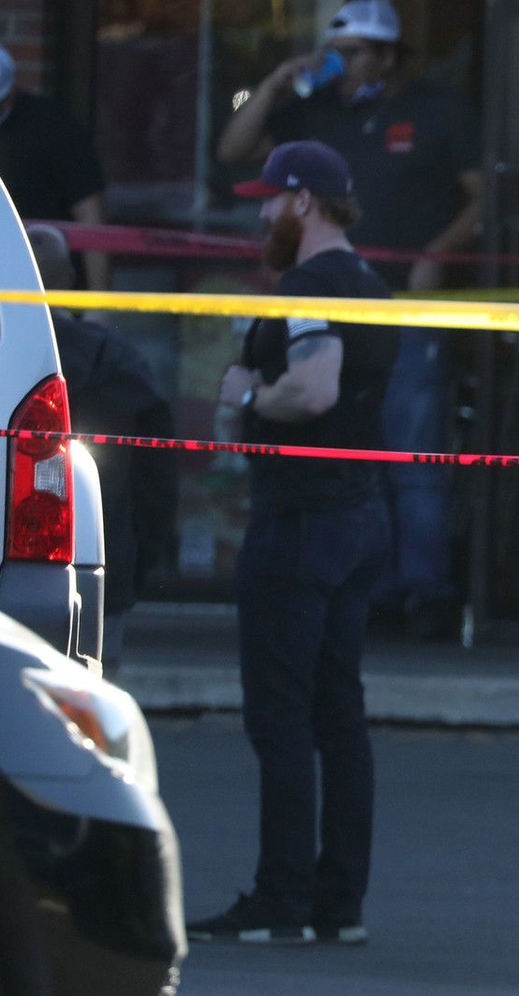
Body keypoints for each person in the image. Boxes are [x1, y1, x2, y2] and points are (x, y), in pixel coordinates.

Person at [186, 141, 397, 946]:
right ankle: (338, 903)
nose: (262, 214)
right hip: (359, 517)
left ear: (304, 202)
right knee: (340, 711)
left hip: (301, 521)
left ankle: (281, 898)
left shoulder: (307, 285)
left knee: (281, 718)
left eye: (271, 200)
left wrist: (246, 398)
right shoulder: (373, 286)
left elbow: (313, 387)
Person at [218, 0, 480, 638]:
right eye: (336, 49)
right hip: (332, 308)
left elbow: (482, 196)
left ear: (388, 55)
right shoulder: (314, 108)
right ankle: (375, 592)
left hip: (405, 307)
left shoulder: (436, 109)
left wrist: (434, 256)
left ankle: (426, 595)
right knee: (349, 449)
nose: (343, 63)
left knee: (413, 452)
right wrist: (277, 82)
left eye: (356, 51)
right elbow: (234, 148)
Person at [26, 225, 176, 669]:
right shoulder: (116, 362)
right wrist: (143, 556)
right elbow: (157, 475)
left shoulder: (0, 356)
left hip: (3, 566)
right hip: (103, 564)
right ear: (71, 281)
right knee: (93, 708)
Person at [0, 39, 111, 290]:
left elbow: (90, 215)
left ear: (3, 96)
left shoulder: (54, 128)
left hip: (44, 284)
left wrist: (98, 304)